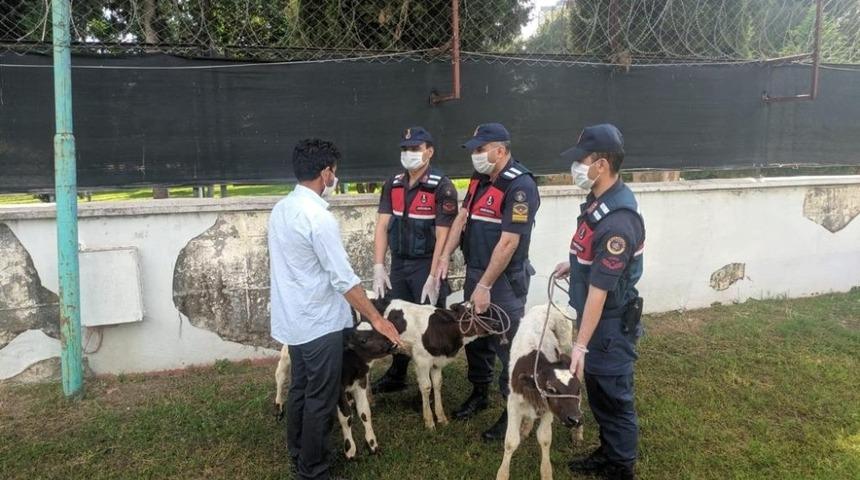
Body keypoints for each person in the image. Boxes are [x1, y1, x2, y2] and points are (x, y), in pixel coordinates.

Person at [269, 138, 401, 480]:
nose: (334, 179)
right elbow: (344, 279)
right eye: (334, 173)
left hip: (294, 321)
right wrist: (377, 320)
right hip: (319, 324)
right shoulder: (318, 218)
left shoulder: (282, 209)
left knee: (300, 388)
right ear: (326, 173)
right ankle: (312, 470)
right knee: (321, 397)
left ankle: (299, 453)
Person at [553, 124, 645, 480]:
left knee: (613, 397)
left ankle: (621, 466)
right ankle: (608, 452)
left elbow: (600, 290)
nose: (575, 166)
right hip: (597, 321)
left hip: (608, 325)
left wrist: (579, 343)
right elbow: (591, 258)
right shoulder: (600, 201)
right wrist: (573, 264)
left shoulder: (618, 221)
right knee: (599, 393)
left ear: (602, 164)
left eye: (582, 160)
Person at [437, 123, 540, 440]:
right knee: (476, 341)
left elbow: (509, 243)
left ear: (501, 150)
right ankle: (479, 393)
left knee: (507, 348)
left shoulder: (520, 186)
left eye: (481, 149)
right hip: (476, 272)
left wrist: (484, 287)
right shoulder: (480, 181)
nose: (476, 155)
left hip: (502, 281)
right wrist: (444, 255)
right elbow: (461, 218)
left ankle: (514, 412)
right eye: (474, 150)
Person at [371, 126, 459, 393]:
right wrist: (378, 266)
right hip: (399, 263)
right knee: (397, 319)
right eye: (405, 149)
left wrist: (434, 275)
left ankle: (432, 380)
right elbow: (382, 225)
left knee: (428, 325)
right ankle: (397, 374)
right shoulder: (394, 183)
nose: (409, 154)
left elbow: (442, 236)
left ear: (429, 152)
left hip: (425, 265)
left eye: (415, 149)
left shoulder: (441, 186)